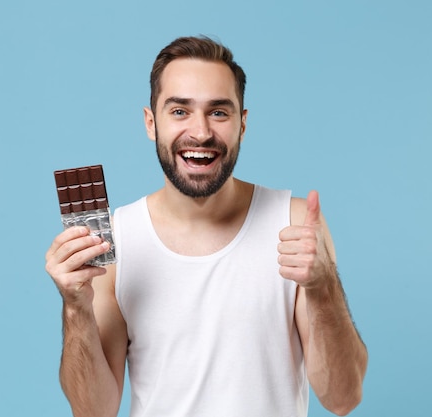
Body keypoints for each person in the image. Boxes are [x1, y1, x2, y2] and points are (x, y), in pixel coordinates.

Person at [45, 35, 368, 417]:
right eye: (179, 111)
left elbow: (343, 398)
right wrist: (75, 309)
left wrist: (322, 286)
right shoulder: (114, 242)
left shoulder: (295, 224)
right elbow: (92, 412)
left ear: (242, 124)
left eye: (219, 112)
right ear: (151, 123)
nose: (200, 132)